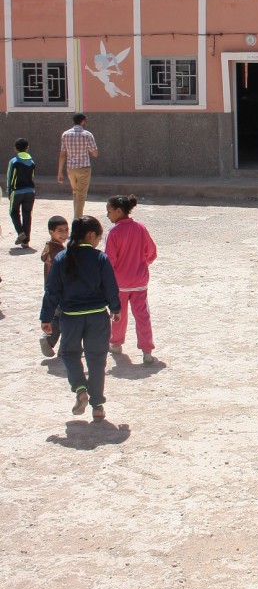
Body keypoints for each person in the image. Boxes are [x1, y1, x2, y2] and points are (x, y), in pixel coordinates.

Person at [40, 215, 121, 422]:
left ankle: (80, 389)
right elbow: (111, 286)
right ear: (91, 235)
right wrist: (116, 308)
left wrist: (46, 317)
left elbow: (52, 291)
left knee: (70, 354)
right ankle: (98, 406)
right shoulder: (100, 258)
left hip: (71, 318)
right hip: (97, 317)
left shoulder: (61, 258)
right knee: (97, 360)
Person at [105, 195, 158, 365]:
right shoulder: (140, 228)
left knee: (118, 314)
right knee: (142, 315)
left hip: (119, 283)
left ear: (118, 211)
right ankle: (147, 350)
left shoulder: (113, 233)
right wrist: (143, 263)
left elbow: (109, 261)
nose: (108, 215)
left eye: (109, 211)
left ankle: (115, 343)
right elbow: (151, 252)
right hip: (140, 282)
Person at [39, 214, 70, 357]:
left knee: (57, 318)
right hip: (61, 290)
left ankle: (49, 341)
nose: (64, 234)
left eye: (66, 230)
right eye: (60, 231)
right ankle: (65, 348)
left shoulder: (49, 247)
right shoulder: (59, 251)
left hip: (53, 290)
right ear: (51, 232)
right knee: (67, 319)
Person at [57, 113, 98, 219]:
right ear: (83, 121)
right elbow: (95, 153)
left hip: (70, 168)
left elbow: (62, 154)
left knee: (75, 193)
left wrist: (60, 171)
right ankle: (77, 221)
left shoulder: (65, 134)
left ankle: (77, 216)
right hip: (84, 167)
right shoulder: (87, 134)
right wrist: (88, 149)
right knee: (81, 196)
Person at [7, 138, 35, 247]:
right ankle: (26, 241)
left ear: (15, 149)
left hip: (17, 191)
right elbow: (32, 177)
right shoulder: (32, 162)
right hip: (30, 191)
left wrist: (9, 191)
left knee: (13, 212)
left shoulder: (14, 161)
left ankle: (20, 232)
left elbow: (10, 177)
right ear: (27, 148)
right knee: (27, 214)